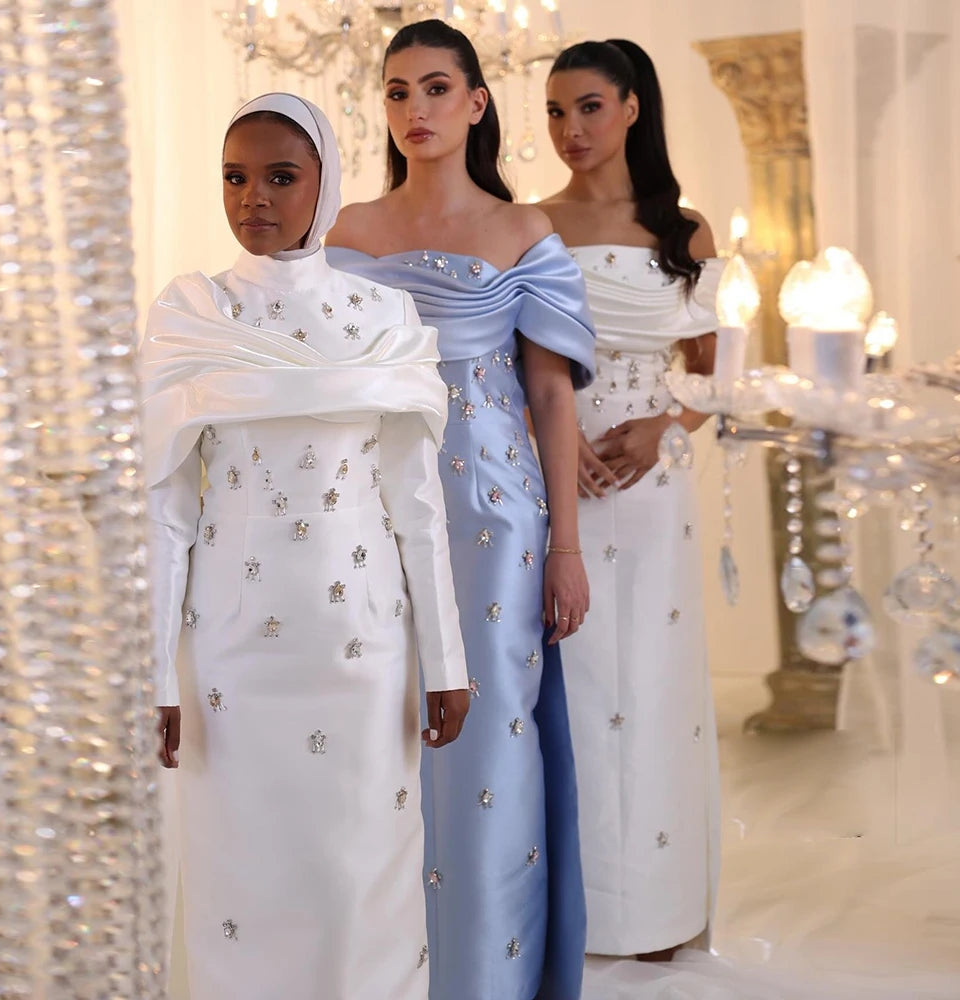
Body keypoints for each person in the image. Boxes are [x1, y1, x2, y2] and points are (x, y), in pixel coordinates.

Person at [140, 92, 469, 1000]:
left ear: (326, 184)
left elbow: (417, 506)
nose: (254, 197)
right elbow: (166, 512)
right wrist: (152, 671)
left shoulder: (385, 318)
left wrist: (447, 659)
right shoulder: (191, 315)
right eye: (235, 177)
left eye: (281, 177)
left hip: (363, 646)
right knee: (242, 872)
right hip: (232, 652)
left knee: (361, 868)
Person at [326, 19, 595, 1000]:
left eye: (435, 88)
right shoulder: (345, 232)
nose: (415, 109)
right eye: (397, 91)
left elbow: (552, 395)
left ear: (477, 103)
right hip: (363, 512)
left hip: (492, 518)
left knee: (486, 739)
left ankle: (486, 979)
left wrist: (566, 547)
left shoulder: (523, 234)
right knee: (375, 731)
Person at [539, 39, 722, 962]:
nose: (571, 129)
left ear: (631, 107)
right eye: (555, 112)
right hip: (556, 480)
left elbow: (716, 377)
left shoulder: (684, 230)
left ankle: (656, 912)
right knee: (574, 688)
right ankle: (579, 915)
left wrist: (663, 428)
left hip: (653, 490)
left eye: (589, 107)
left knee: (653, 684)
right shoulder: (531, 223)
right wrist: (554, 439)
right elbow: (508, 363)